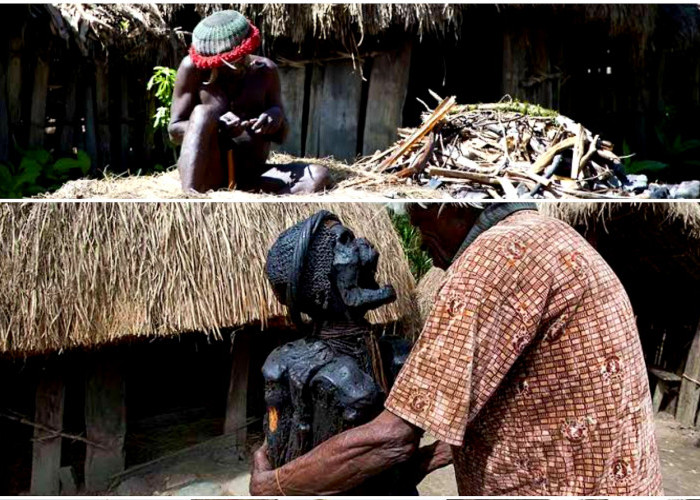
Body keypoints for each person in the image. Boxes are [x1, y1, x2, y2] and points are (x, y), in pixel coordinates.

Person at [250, 202, 663, 496]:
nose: (411, 228)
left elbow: (391, 439)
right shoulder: (547, 235)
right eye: (343, 246)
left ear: (453, 206)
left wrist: (275, 487)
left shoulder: (492, 260)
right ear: (316, 290)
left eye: (419, 210)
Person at [168, 10, 330, 194]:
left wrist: (276, 119)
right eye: (227, 63)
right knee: (203, 113)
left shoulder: (266, 71)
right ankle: (191, 196)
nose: (235, 66)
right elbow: (174, 131)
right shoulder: (192, 69)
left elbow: (281, 136)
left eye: (240, 59)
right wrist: (216, 126)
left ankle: (256, 200)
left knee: (318, 176)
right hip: (208, 173)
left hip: (251, 173)